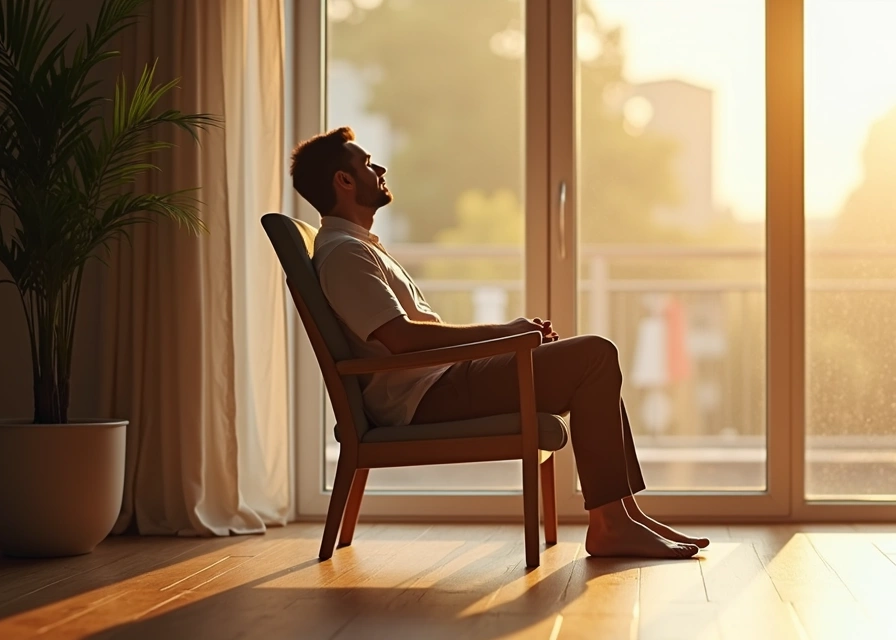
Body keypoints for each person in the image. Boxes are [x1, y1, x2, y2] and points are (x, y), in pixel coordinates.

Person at [290, 127, 708, 559]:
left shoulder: (358, 248)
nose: (379, 168)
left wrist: (508, 340)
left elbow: (407, 336)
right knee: (595, 356)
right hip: (425, 397)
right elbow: (402, 339)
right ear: (344, 180)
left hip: (439, 382)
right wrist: (505, 335)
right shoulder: (345, 254)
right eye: (366, 163)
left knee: (594, 366)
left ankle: (624, 516)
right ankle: (612, 525)